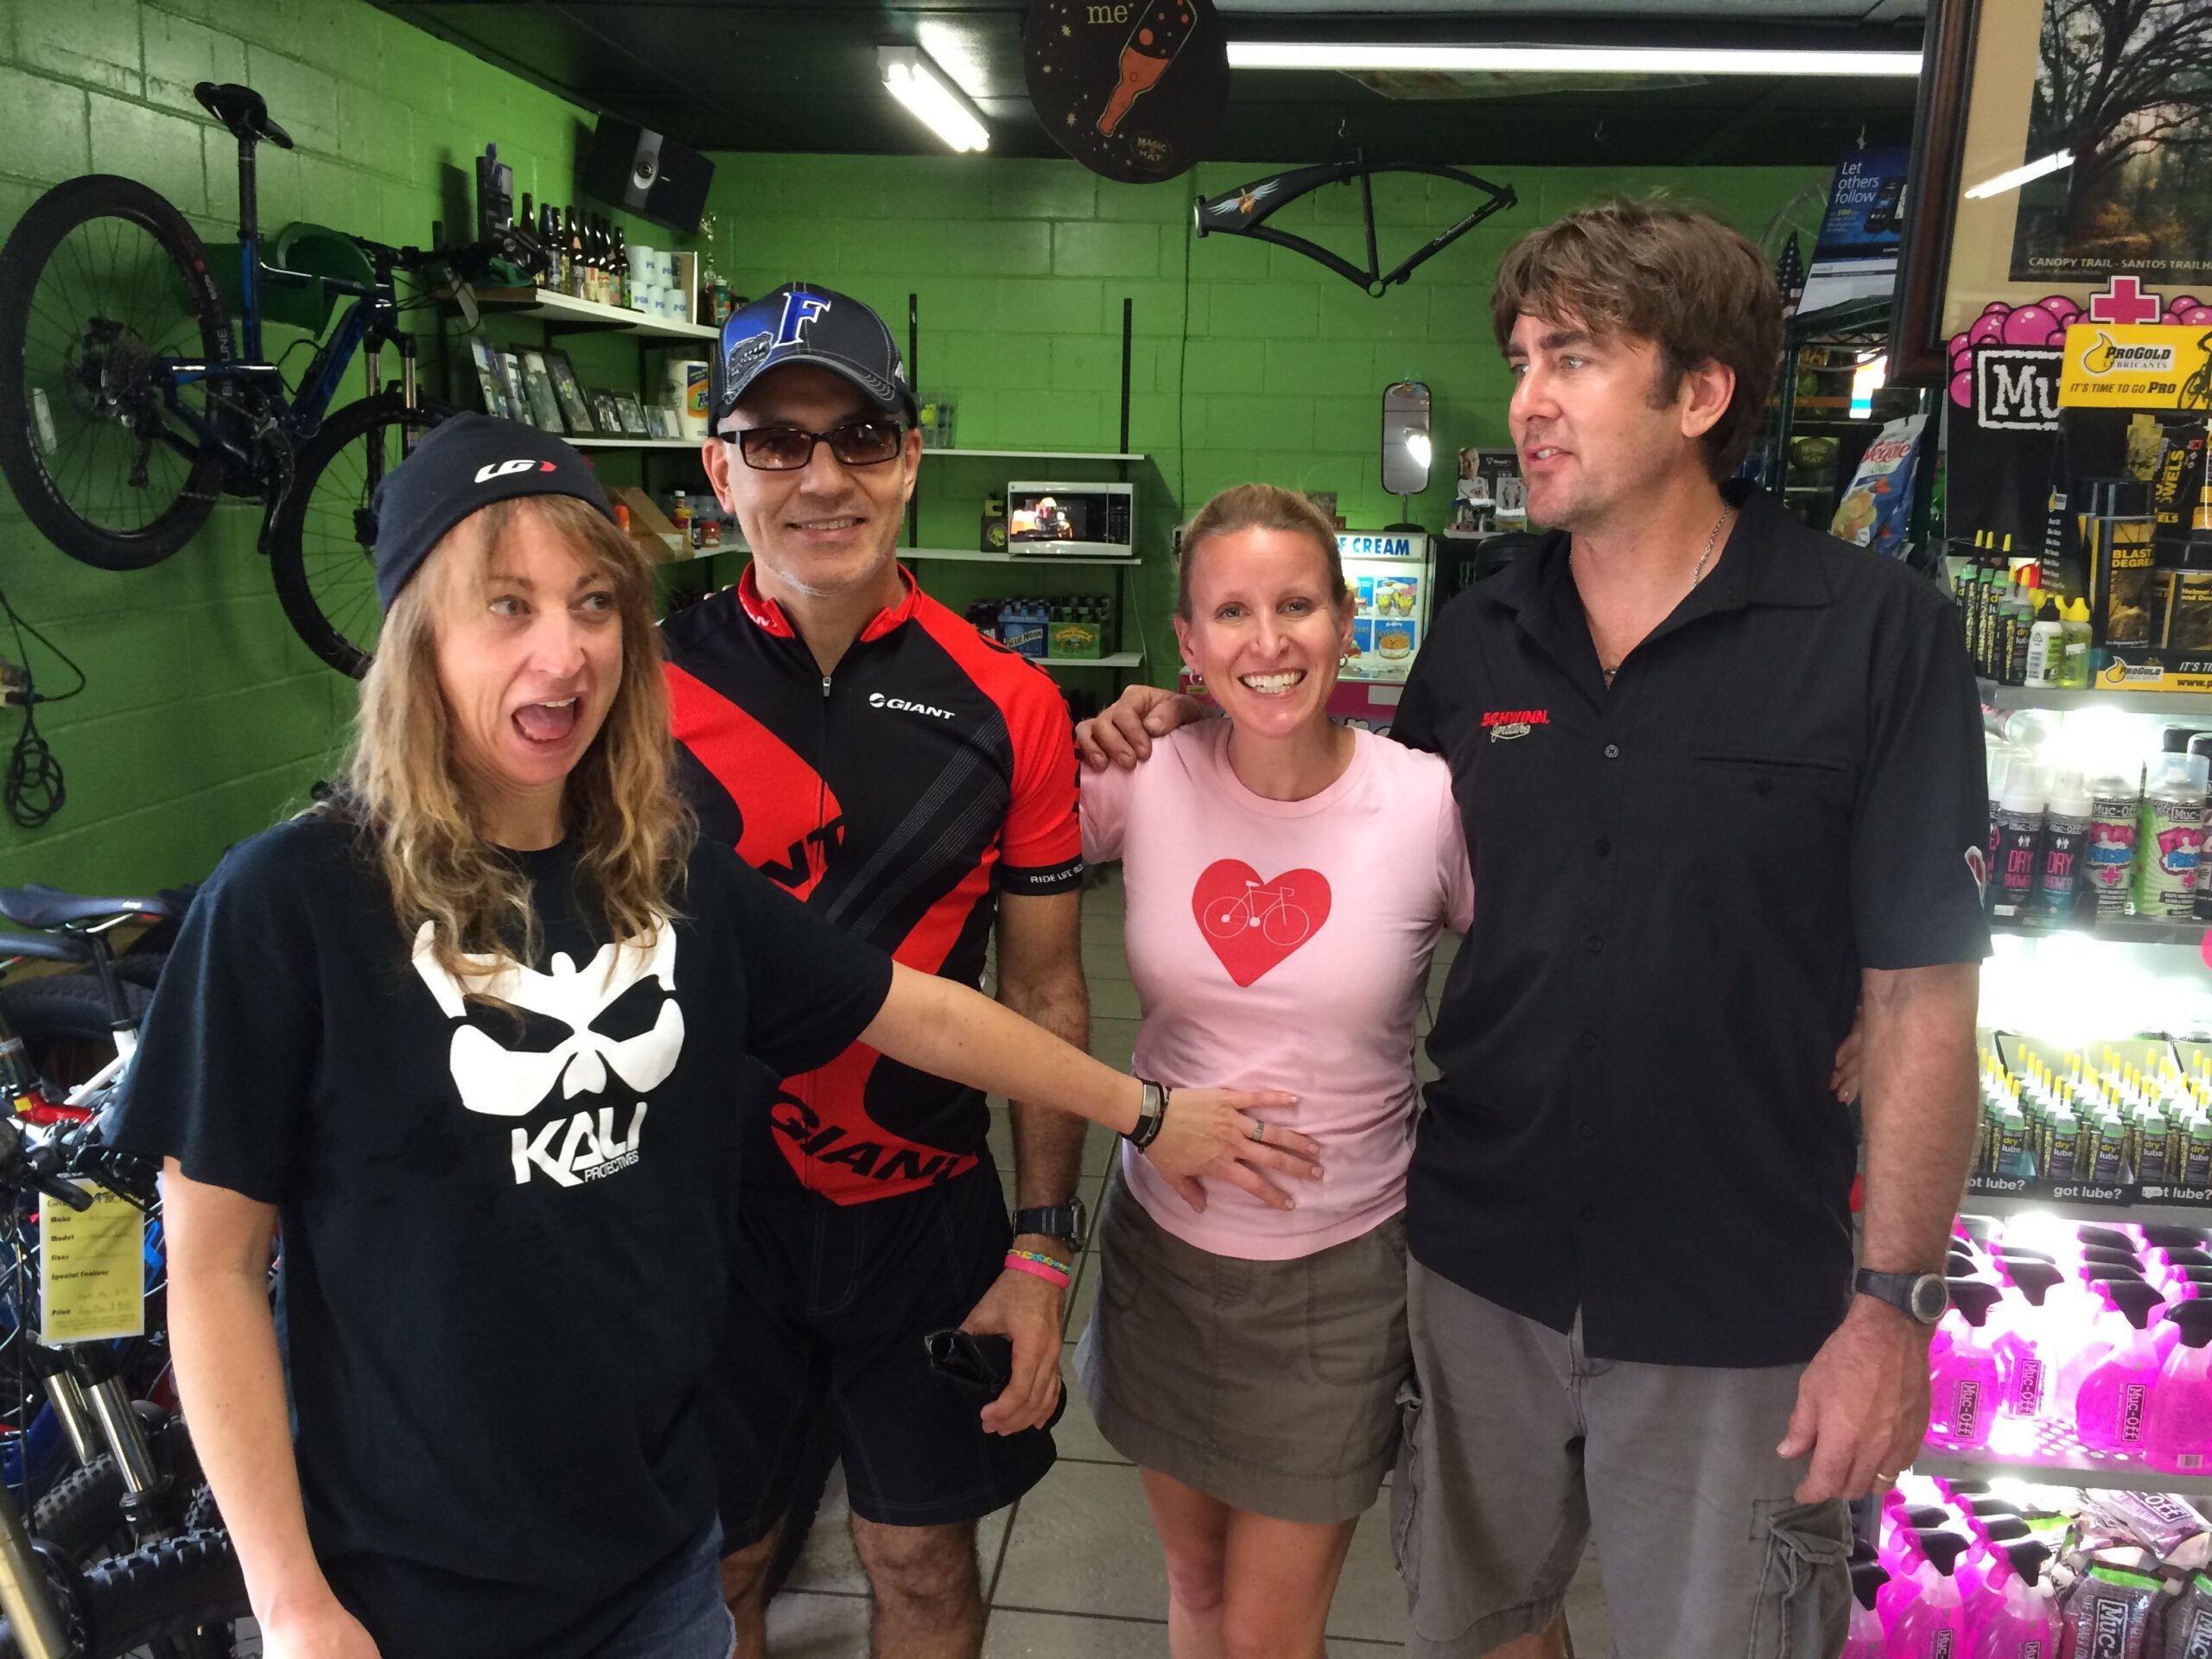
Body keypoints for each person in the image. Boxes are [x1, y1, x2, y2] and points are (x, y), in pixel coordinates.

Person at [114, 414, 1318, 1659]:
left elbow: (921, 1011)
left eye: (592, 603)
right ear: (416, 634)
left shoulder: (665, 874)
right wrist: (292, 1601)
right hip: (405, 1591)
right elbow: (210, 1271)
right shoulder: (289, 904)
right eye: (507, 606)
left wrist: (1150, 1118)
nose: (565, 650)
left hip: (654, 1565)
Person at [1078, 199, 1988, 1658]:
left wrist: (1892, 1309)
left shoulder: (1876, 637)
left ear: (1700, 394)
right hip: (1479, 1259)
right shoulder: (1480, 637)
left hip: (1734, 1281)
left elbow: (1929, 997)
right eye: (1520, 356)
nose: (1526, 400)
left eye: (1572, 358)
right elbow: (1359, 822)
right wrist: (1202, 704)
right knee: (1479, 1623)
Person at [666, 281, 1220, 1659]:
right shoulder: (637, 686)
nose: (824, 479)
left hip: (918, 1218)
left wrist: (1043, 1248)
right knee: (715, 1570)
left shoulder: (1009, 703)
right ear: (718, 466)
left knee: (918, 1565)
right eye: (777, 443)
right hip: (693, 1219)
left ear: (909, 456)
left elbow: (1043, 992)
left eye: (860, 436)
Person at [1076, 482, 1471, 1659]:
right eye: (1231, 613)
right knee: (1196, 1587)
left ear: (1348, 621)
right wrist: (1089, 722)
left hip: (1339, 1278)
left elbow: (1560, 966)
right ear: (1188, 643)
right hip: (1164, 1263)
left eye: (1297, 605)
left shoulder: (1424, 801)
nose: (1268, 642)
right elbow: (976, 819)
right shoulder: (1143, 778)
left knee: (1268, 1629)